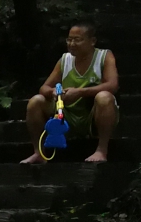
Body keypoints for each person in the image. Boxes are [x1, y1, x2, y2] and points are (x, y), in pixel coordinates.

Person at [22, 22, 120, 164]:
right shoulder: (64, 60)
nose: (72, 44)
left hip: (92, 115)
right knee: (35, 101)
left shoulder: (104, 56)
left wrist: (80, 92)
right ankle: (39, 153)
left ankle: (101, 150)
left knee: (104, 97)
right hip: (66, 114)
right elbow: (44, 88)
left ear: (92, 41)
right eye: (69, 39)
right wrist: (54, 92)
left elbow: (112, 85)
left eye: (77, 40)